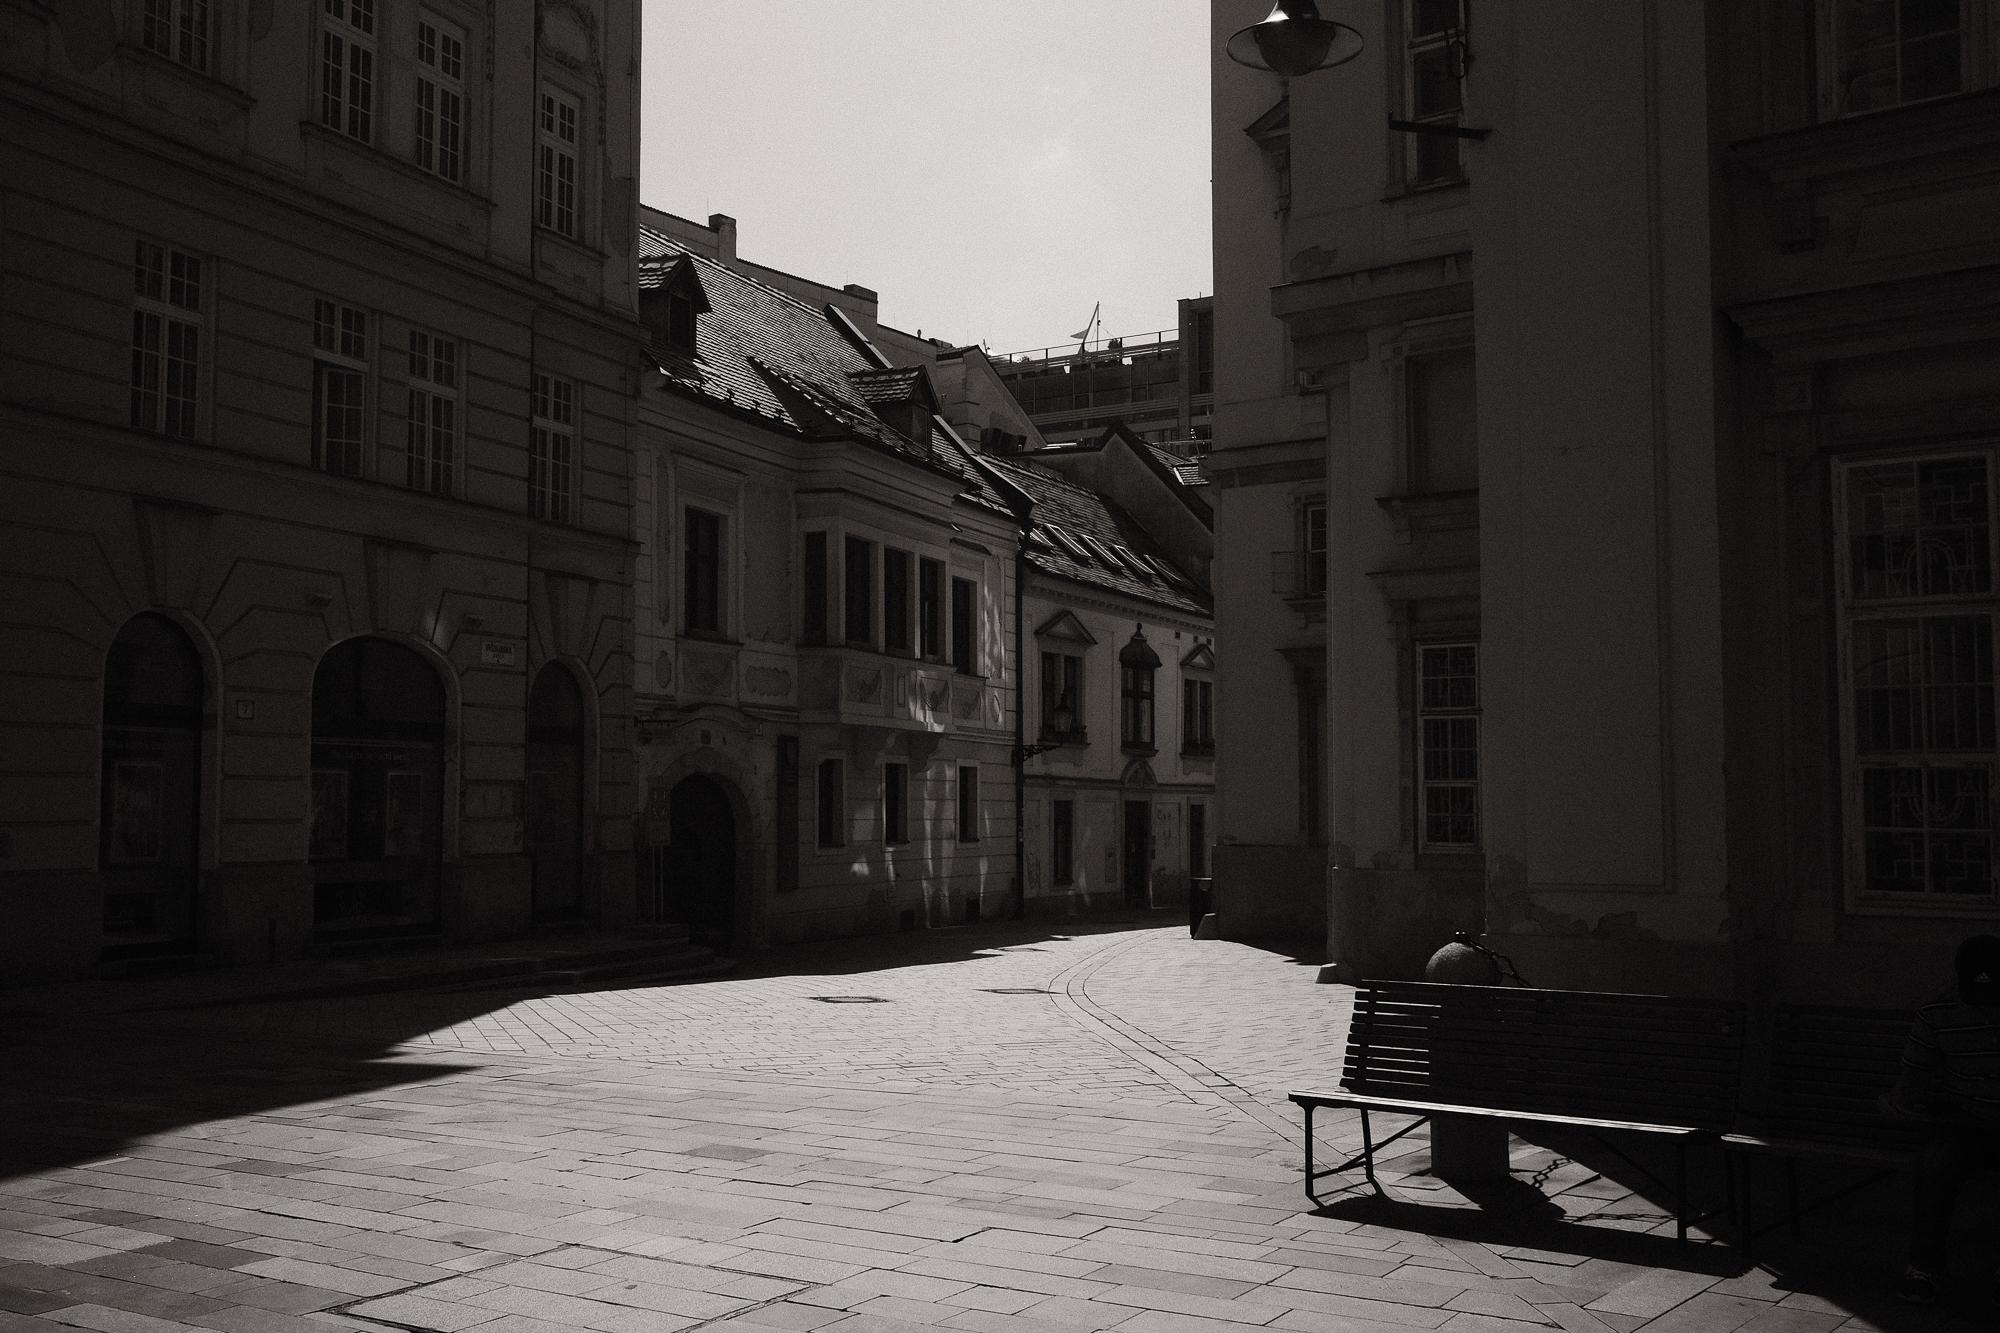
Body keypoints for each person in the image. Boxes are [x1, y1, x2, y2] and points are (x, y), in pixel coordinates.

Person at [1882, 935, 2000, 1304]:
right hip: (1968, 1121)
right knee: (1936, 1162)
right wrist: (1897, 1103)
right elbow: (1914, 1076)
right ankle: (1924, 1268)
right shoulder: (1939, 1013)